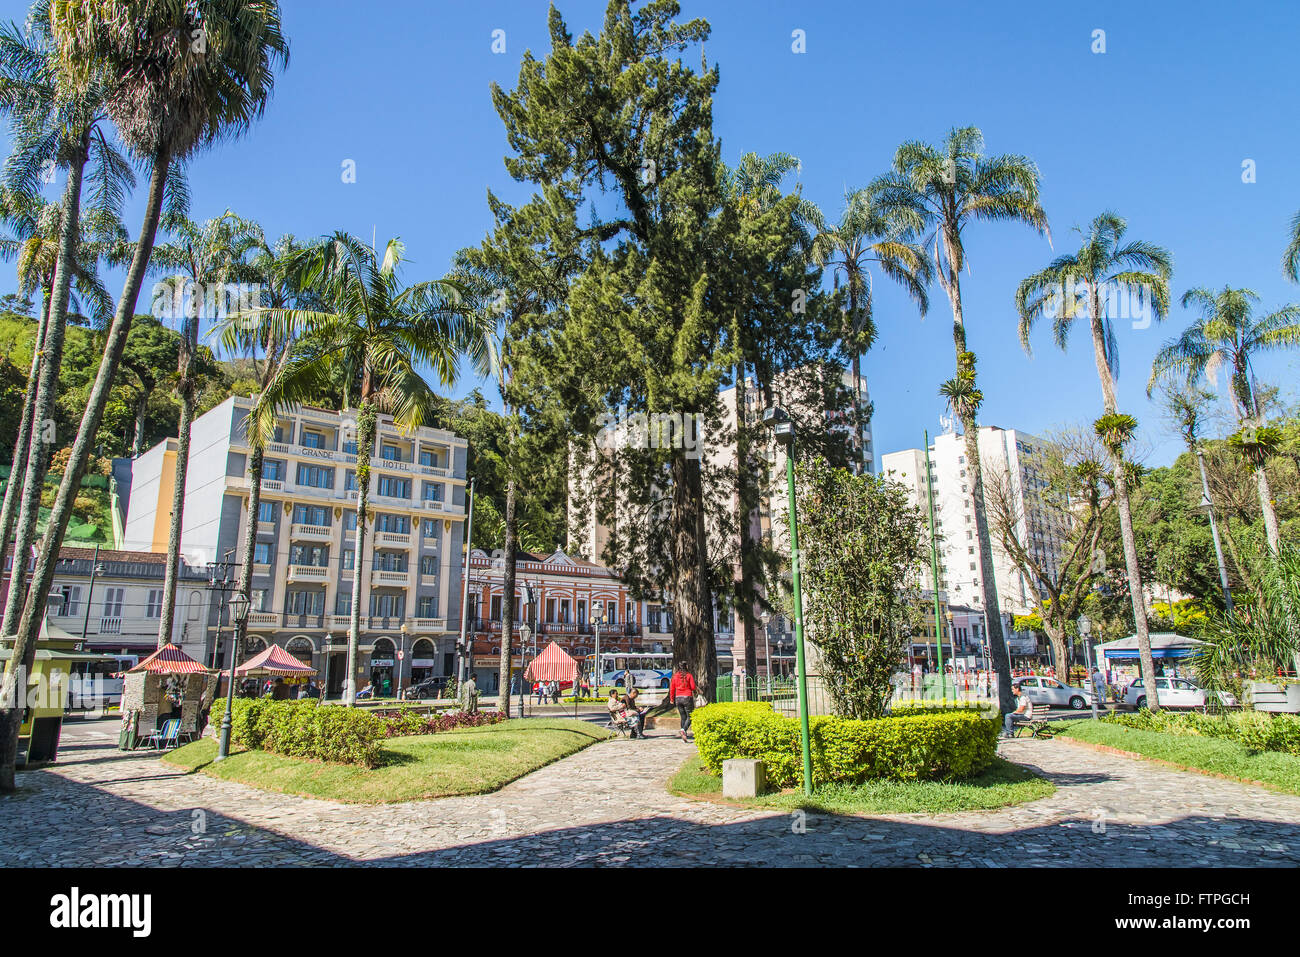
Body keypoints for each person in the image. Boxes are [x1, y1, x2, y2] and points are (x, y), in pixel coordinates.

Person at [668, 662, 697, 742]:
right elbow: (693, 687)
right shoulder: (688, 675)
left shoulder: (675, 676)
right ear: (686, 667)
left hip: (678, 698)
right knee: (690, 716)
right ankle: (683, 730)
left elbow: (672, 688)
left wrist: (671, 699)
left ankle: (684, 734)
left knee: (683, 716)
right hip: (687, 697)